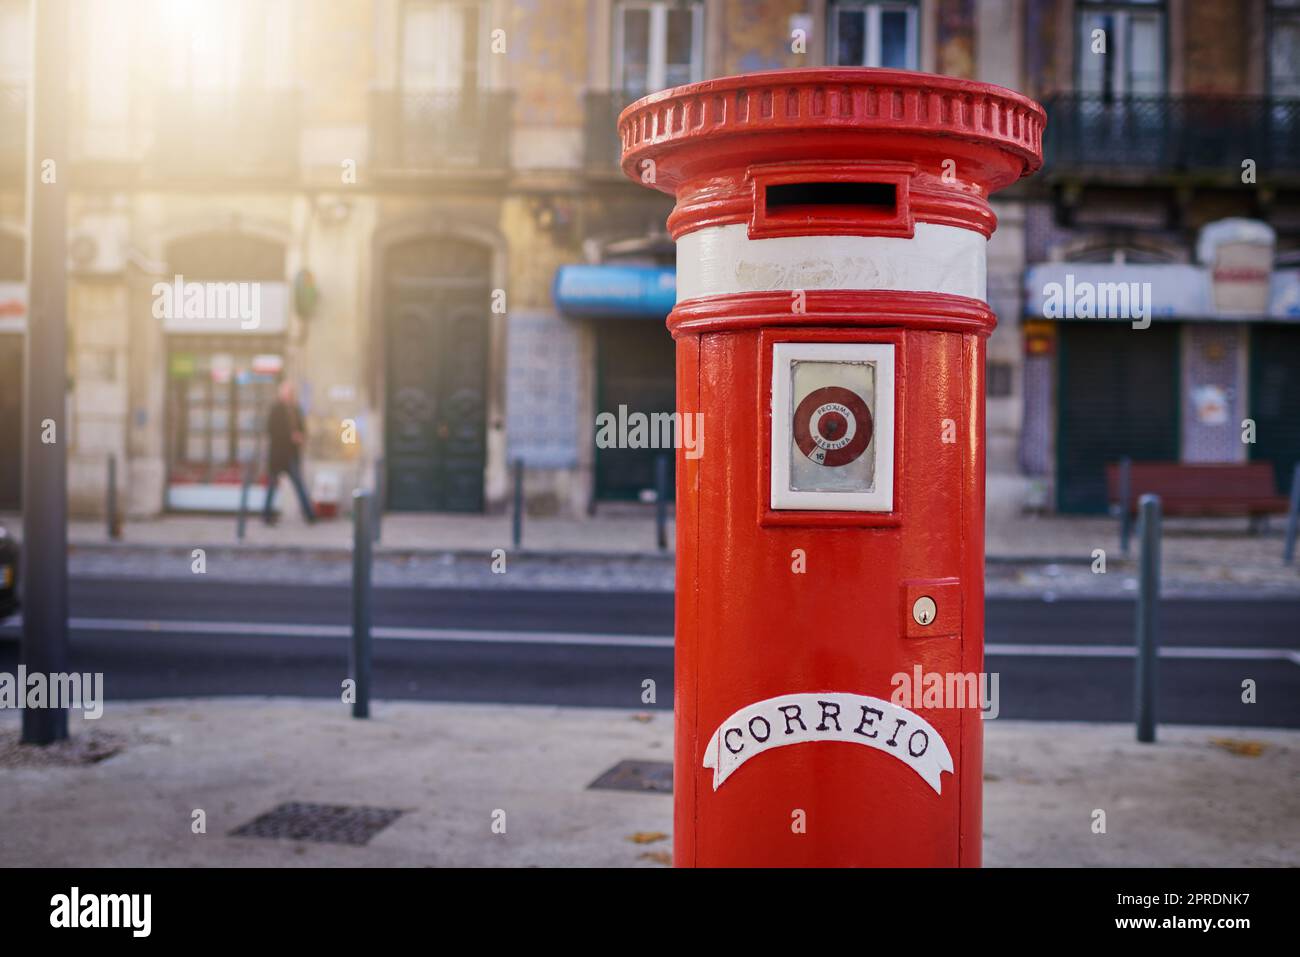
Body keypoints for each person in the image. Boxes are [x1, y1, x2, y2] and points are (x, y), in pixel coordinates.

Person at [262, 380, 315, 525]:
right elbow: (271, 430)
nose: (289, 395)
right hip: (278, 455)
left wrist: (301, 436)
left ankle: (310, 515)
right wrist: (290, 436)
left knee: (299, 484)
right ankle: (266, 515)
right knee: (272, 486)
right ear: (281, 394)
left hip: (292, 455)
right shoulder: (276, 409)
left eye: (291, 393)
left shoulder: (296, 409)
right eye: (287, 392)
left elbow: (303, 428)